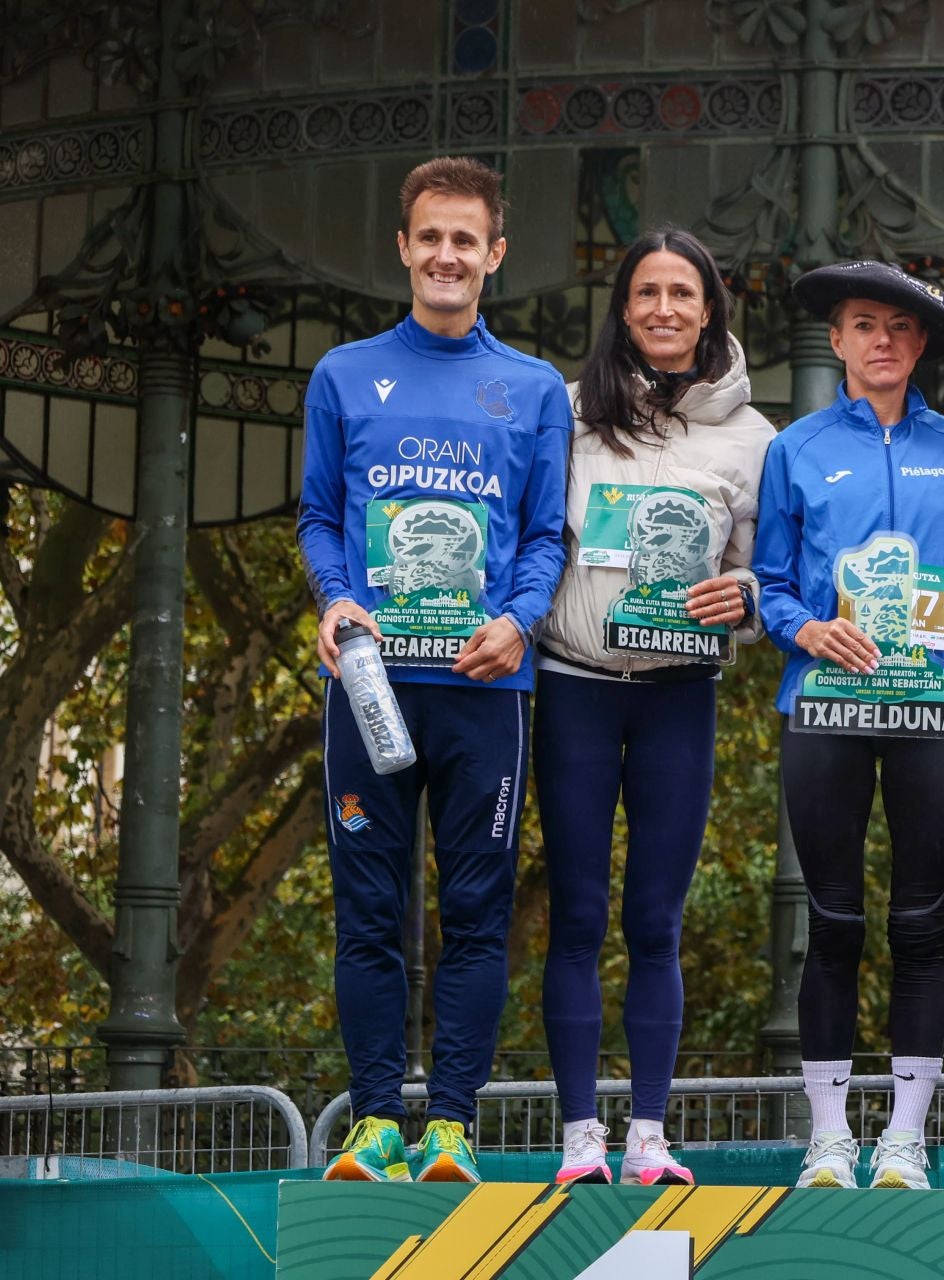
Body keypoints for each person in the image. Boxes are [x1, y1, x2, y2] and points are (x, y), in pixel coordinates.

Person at [298, 156, 569, 1184]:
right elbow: (320, 515)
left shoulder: (535, 389)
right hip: (369, 686)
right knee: (368, 911)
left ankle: (451, 1123)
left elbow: (544, 534)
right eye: (431, 237)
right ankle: (375, 1121)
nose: (447, 255)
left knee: (476, 912)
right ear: (403, 248)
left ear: (495, 254)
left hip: (484, 692)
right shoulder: (343, 374)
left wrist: (520, 620)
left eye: (466, 239)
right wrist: (335, 597)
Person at [535, 228, 775, 1187]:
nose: (665, 309)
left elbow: (768, 576)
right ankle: (577, 1136)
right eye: (647, 293)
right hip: (575, 688)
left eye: (683, 292)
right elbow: (527, 541)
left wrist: (745, 597)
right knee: (577, 916)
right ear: (623, 308)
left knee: (655, 922)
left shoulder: (754, 437)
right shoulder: (565, 413)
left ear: (709, 308)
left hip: (681, 698)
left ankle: (646, 1135)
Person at [751, 261, 944, 1190]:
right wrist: (805, 628)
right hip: (827, 708)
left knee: (921, 924)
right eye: (863, 324)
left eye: (900, 326)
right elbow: (767, 582)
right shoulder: (795, 448)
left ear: (921, 344)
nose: (882, 340)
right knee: (833, 922)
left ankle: (904, 1139)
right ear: (837, 340)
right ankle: (830, 1138)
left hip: (935, 710)